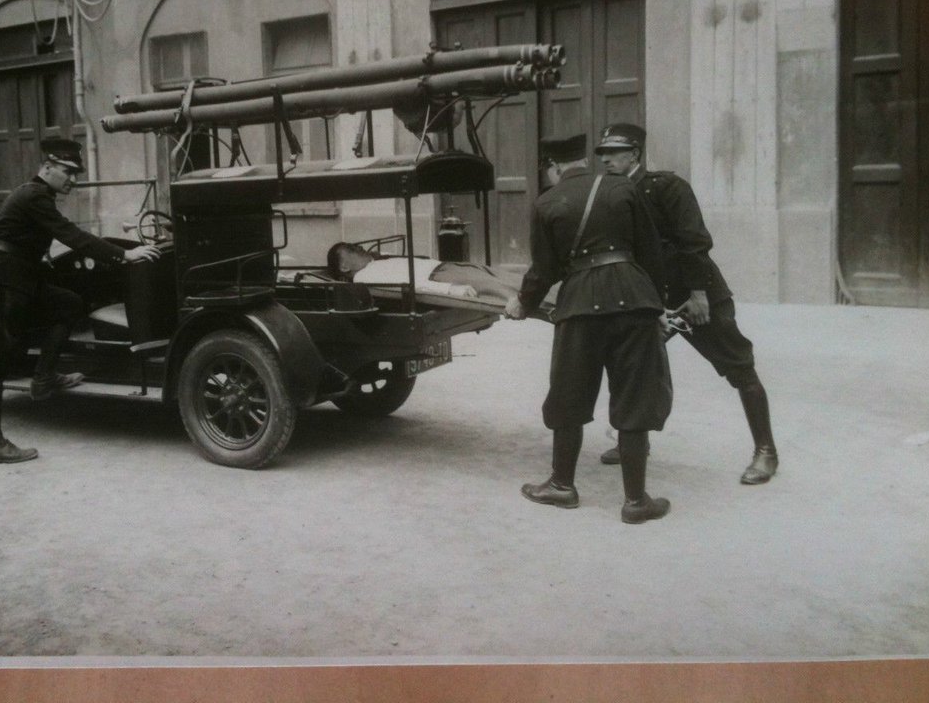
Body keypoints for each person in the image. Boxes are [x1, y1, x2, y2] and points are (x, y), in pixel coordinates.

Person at [594, 123, 778, 485]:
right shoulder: (611, 193)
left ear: (635, 153)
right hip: (650, 301)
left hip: (694, 297)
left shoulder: (667, 187)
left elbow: (694, 242)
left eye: (615, 152)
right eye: (602, 153)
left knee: (737, 364)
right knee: (631, 367)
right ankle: (636, 443)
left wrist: (698, 293)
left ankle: (766, 451)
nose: (607, 159)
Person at [504, 134, 674, 524]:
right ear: (584, 159)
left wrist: (522, 302)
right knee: (634, 395)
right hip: (634, 300)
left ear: (553, 167)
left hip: (579, 305)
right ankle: (636, 502)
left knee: (569, 391)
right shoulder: (623, 187)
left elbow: (544, 270)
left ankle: (562, 486)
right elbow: (651, 252)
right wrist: (656, 305)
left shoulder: (547, 202)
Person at [0, 138, 159, 465]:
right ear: (47, 167)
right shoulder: (34, 196)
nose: (72, 178)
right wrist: (124, 254)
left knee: (69, 303)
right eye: (67, 171)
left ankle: (44, 377)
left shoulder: (40, 196)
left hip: (18, 277)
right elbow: (70, 235)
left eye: (75, 172)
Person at [326, 241, 521, 305]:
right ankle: (545, 302)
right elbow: (409, 284)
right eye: (351, 249)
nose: (358, 247)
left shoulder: (374, 260)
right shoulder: (364, 276)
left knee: (503, 276)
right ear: (344, 268)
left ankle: (547, 291)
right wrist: (451, 290)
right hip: (440, 277)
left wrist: (375, 256)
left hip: (444, 267)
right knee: (502, 290)